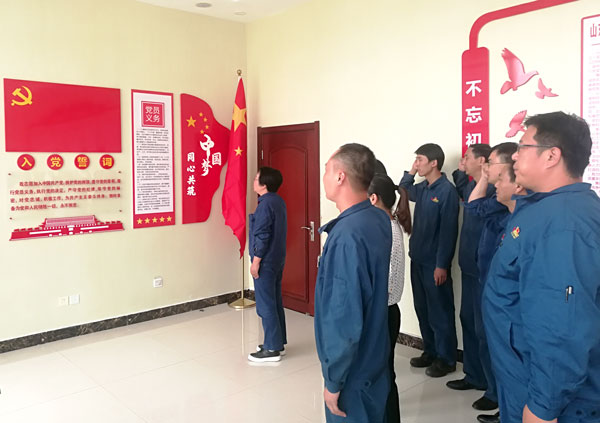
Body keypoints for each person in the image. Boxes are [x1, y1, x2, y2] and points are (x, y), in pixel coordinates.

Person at [483, 112, 600, 423]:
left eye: (523, 147)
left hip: (548, 396)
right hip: (523, 375)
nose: (515, 156)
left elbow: (562, 325)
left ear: (551, 156)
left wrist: (543, 407)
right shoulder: (547, 208)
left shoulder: (563, 223)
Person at [315, 143, 392, 422]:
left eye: (326, 170)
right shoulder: (376, 217)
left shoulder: (347, 235)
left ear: (340, 176)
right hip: (373, 357)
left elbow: (343, 317)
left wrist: (334, 380)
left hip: (353, 371)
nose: (324, 176)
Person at [465, 143, 521, 423]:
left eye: (492, 164)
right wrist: (486, 178)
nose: (488, 170)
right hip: (487, 281)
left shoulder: (517, 210)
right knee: (487, 340)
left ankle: (506, 405)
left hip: (507, 298)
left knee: (508, 353)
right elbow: (473, 206)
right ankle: (500, 400)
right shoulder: (498, 199)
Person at [399, 143, 459, 378]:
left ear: (434, 163)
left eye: (420, 159)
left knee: (440, 312)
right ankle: (431, 352)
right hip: (418, 259)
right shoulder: (423, 188)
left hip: (435, 264)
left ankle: (446, 359)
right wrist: (411, 172)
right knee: (422, 309)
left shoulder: (446, 191)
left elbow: (448, 231)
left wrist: (442, 264)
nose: (417, 163)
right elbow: (403, 190)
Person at [448, 144, 495, 409]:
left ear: (482, 161)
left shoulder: (495, 190)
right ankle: (474, 375)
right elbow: (458, 180)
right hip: (467, 266)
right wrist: (462, 168)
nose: (463, 160)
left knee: (485, 331)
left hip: (484, 271)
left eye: (467, 157)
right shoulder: (470, 187)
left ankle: (494, 390)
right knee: (468, 321)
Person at [368, 174, 412, 423]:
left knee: (384, 374)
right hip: (384, 311)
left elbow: (387, 281)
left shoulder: (389, 231)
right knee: (381, 371)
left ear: (374, 199)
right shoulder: (386, 227)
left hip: (383, 313)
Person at [247, 167, 288, 363]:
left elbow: (262, 235)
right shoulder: (277, 201)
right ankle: (277, 343)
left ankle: (271, 349)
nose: (254, 181)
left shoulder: (265, 205)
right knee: (275, 301)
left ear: (264, 184)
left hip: (265, 261)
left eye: (256, 179)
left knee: (265, 305)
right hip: (277, 259)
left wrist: (256, 262)